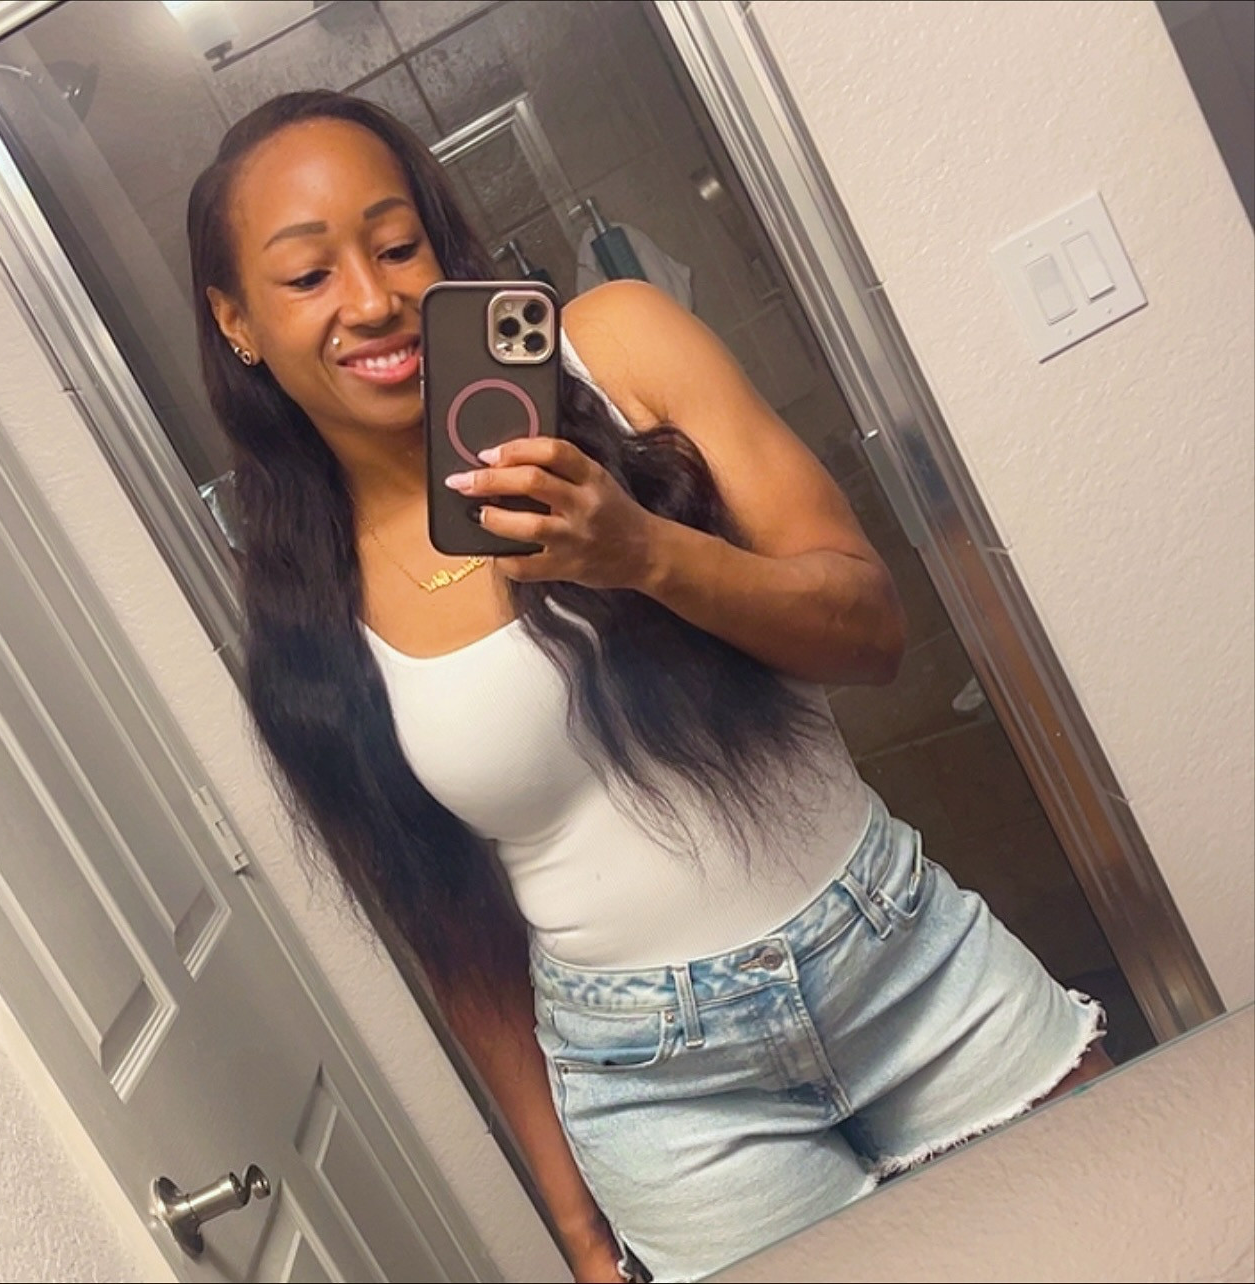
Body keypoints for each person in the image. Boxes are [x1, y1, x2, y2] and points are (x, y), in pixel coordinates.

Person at [187, 91, 1111, 1284]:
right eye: (309, 274)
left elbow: (871, 631)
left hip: (905, 964)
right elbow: (458, 942)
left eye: (397, 244)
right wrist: (581, 1239)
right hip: (654, 1093)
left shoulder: (618, 350)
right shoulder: (308, 615)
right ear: (238, 321)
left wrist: (643, 553)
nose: (371, 300)